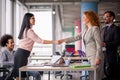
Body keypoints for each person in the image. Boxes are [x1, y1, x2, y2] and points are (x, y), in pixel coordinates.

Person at [56, 10, 104, 80]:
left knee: (95, 77)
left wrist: (98, 57)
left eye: (84, 17)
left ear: (89, 18)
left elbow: (99, 45)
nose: (83, 19)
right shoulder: (85, 30)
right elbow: (76, 37)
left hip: (95, 56)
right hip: (90, 56)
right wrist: (63, 40)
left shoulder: (95, 29)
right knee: (91, 76)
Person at [13, 13, 56, 80]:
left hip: (20, 54)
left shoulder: (25, 30)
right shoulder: (29, 31)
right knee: (20, 77)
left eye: (34, 18)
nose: (34, 20)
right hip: (22, 54)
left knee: (20, 77)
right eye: (32, 18)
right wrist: (54, 42)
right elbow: (40, 41)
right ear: (28, 19)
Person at [102, 11, 120, 80]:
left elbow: (117, 42)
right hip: (102, 54)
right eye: (104, 17)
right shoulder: (103, 29)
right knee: (104, 74)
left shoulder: (116, 29)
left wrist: (105, 44)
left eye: (106, 16)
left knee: (111, 74)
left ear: (112, 18)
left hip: (111, 55)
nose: (105, 18)